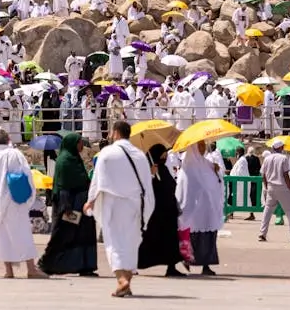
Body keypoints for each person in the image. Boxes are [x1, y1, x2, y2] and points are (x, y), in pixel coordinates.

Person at [86, 121, 154, 298]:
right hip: (135, 205)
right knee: (131, 243)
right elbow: (148, 185)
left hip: (113, 204)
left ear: (115, 133)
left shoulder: (107, 153)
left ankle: (121, 280)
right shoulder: (140, 155)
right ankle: (127, 283)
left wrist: (91, 200)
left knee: (114, 243)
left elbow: (97, 180)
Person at [0, 128, 46, 279]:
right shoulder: (14, 154)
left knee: (2, 237)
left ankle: (9, 271)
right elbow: (25, 174)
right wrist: (30, 196)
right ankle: (31, 268)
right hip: (13, 201)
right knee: (22, 233)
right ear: (8, 140)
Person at [38, 133, 97, 276]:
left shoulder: (75, 158)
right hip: (69, 207)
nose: (81, 145)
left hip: (81, 207)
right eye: (79, 143)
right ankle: (49, 264)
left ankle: (84, 266)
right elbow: (62, 186)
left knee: (83, 236)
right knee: (64, 235)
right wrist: (66, 208)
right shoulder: (64, 161)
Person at [176, 143, 223, 276]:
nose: (202, 149)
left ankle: (206, 265)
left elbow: (216, 183)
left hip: (207, 209)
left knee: (208, 237)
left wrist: (216, 171)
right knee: (192, 237)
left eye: (203, 146)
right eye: (200, 146)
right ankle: (187, 260)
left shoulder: (207, 164)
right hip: (193, 210)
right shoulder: (187, 167)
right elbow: (184, 190)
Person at [137, 143, 184, 276]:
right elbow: (143, 187)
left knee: (170, 240)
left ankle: (171, 267)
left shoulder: (163, 169)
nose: (165, 156)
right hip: (155, 213)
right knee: (150, 239)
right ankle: (133, 264)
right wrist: (151, 175)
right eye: (163, 153)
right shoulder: (149, 170)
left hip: (168, 211)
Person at [258, 139, 290, 242]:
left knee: (267, 211)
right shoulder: (283, 158)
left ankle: (262, 233)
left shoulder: (267, 159)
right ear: (281, 148)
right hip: (283, 186)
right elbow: (285, 174)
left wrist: (267, 186)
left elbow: (263, 174)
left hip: (271, 187)